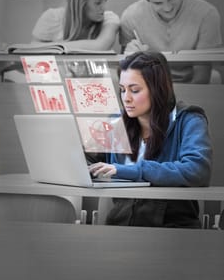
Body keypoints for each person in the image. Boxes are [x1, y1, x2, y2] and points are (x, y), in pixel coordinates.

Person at [89, 51, 212, 228]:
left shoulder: (189, 119)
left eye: (135, 90)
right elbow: (90, 161)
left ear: (158, 89)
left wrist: (130, 170)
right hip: (120, 226)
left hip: (173, 228)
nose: (126, 98)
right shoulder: (116, 122)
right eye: (122, 90)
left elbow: (197, 170)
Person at [120, 0, 222, 83]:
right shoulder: (130, 17)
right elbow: (124, 72)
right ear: (146, 0)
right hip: (151, 84)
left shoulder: (206, 14)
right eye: (158, 3)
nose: (168, 8)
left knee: (215, 77)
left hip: (192, 82)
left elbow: (202, 76)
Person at [32, 0, 120, 51]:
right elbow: (32, 52)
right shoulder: (51, 18)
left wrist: (51, 47)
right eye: (98, 2)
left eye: (106, 0)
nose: (104, 8)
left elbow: (100, 46)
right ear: (80, 3)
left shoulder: (110, 19)